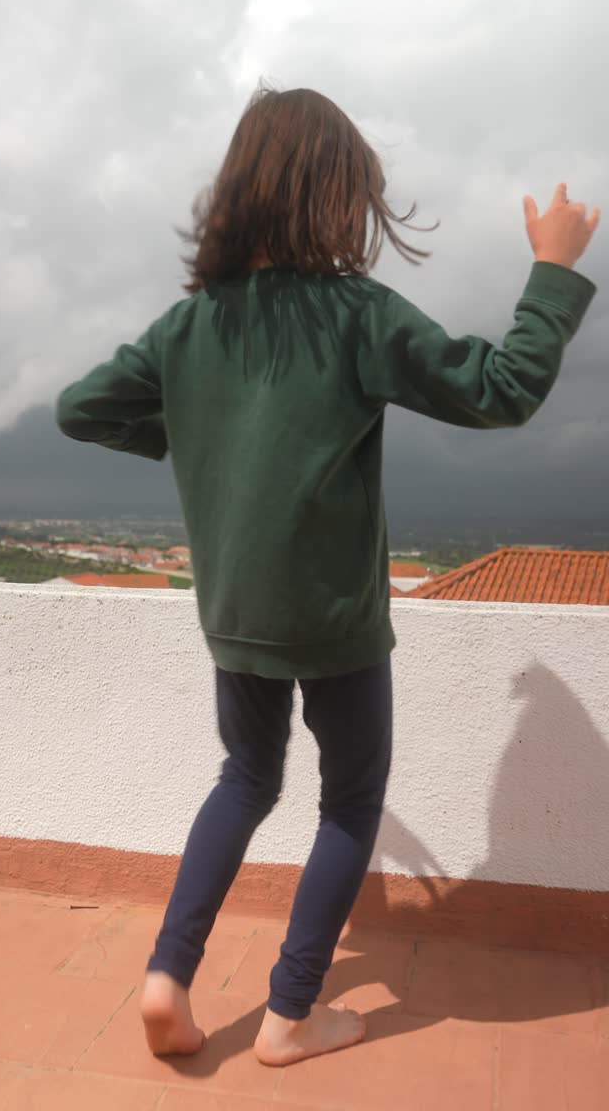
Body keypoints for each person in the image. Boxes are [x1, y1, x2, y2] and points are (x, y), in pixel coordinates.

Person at [55, 84, 600, 1066]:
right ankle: (289, 1016)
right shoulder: (355, 314)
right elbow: (502, 387)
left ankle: (166, 976)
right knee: (348, 799)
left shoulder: (189, 328)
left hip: (236, 612)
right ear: (340, 198)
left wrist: (203, 448)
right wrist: (554, 271)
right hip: (335, 619)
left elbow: (80, 408)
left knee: (245, 775)